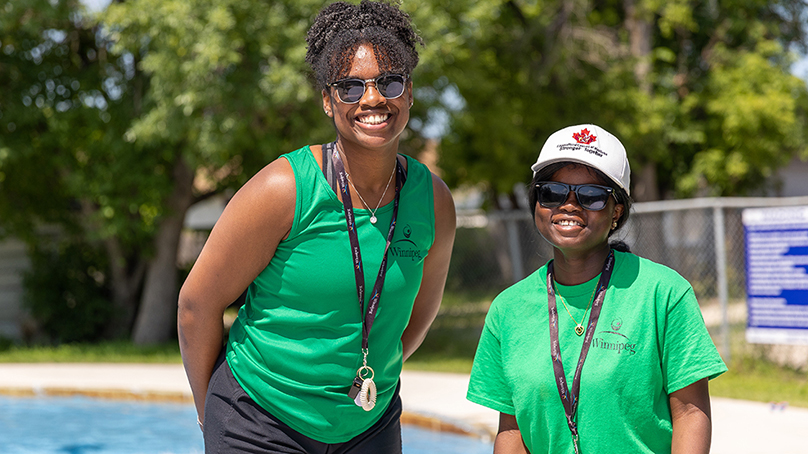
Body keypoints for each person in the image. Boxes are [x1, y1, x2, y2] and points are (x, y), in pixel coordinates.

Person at [177, 1, 456, 452]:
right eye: (350, 87)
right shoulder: (283, 189)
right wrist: (209, 411)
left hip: (369, 423)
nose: (372, 99)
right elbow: (196, 305)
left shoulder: (433, 200)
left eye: (390, 81)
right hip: (260, 419)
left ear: (409, 92)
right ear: (328, 101)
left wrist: (368, 371)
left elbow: (420, 315)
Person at [466, 124, 727, 454]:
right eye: (552, 192)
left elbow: (691, 413)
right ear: (537, 203)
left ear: (616, 212)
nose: (570, 205)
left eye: (591, 196)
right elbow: (513, 429)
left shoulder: (664, 294)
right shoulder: (508, 309)